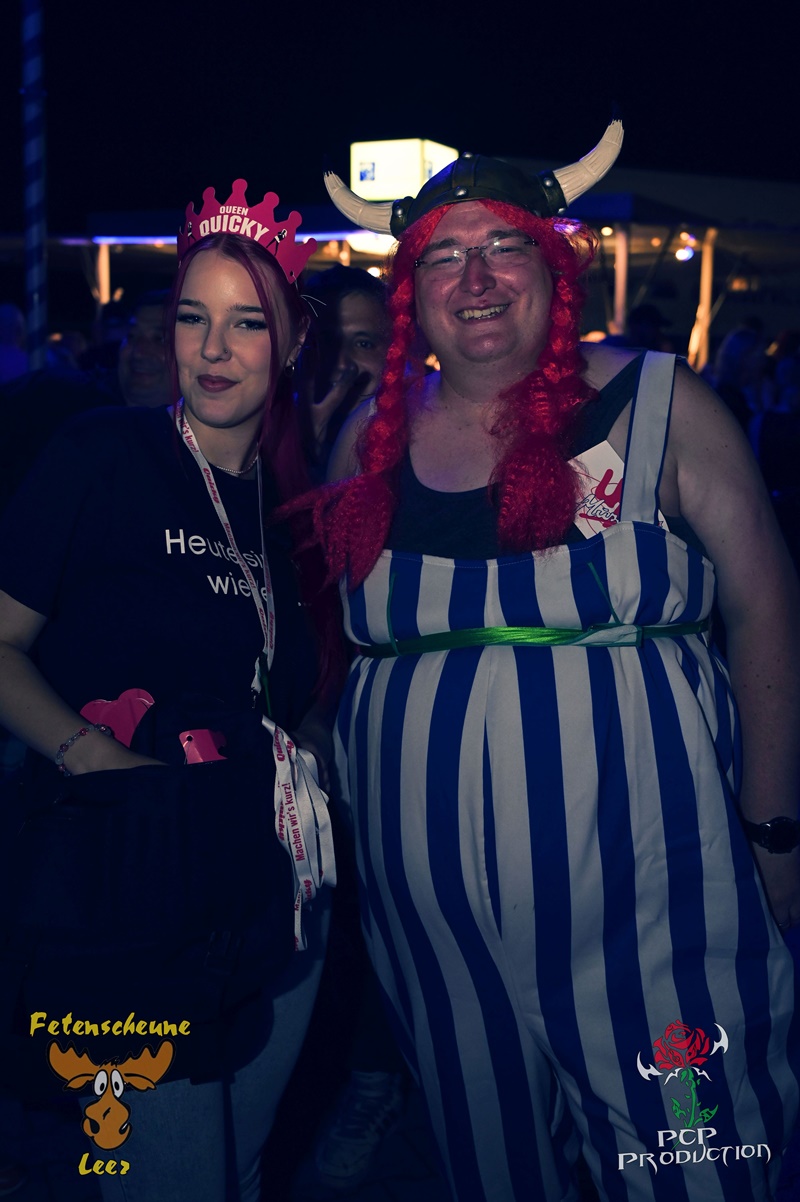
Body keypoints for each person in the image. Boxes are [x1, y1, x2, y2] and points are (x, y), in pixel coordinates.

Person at [299, 120, 800, 1201]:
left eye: (502, 247)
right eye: (443, 255)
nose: (475, 277)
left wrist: (775, 829)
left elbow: (765, 607)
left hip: (655, 908)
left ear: (553, 269)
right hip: (432, 929)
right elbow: (338, 650)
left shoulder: (662, 404)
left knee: (694, 1163)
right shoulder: (367, 439)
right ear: (414, 292)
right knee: (494, 1168)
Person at [0, 180, 335, 1201]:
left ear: (291, 343)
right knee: (169, 1177)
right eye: (194, 318)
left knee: (241, 1167)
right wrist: (90, 753)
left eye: (248, 323)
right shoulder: (102, 453)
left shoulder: (295, 510)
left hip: (276, 889)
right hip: (130, 886)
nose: (213, 349)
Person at [298, 265, 390, 474]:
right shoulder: (261, 438)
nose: (342, 364)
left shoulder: (416, 446)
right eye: (326, 343)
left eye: (363, 344)